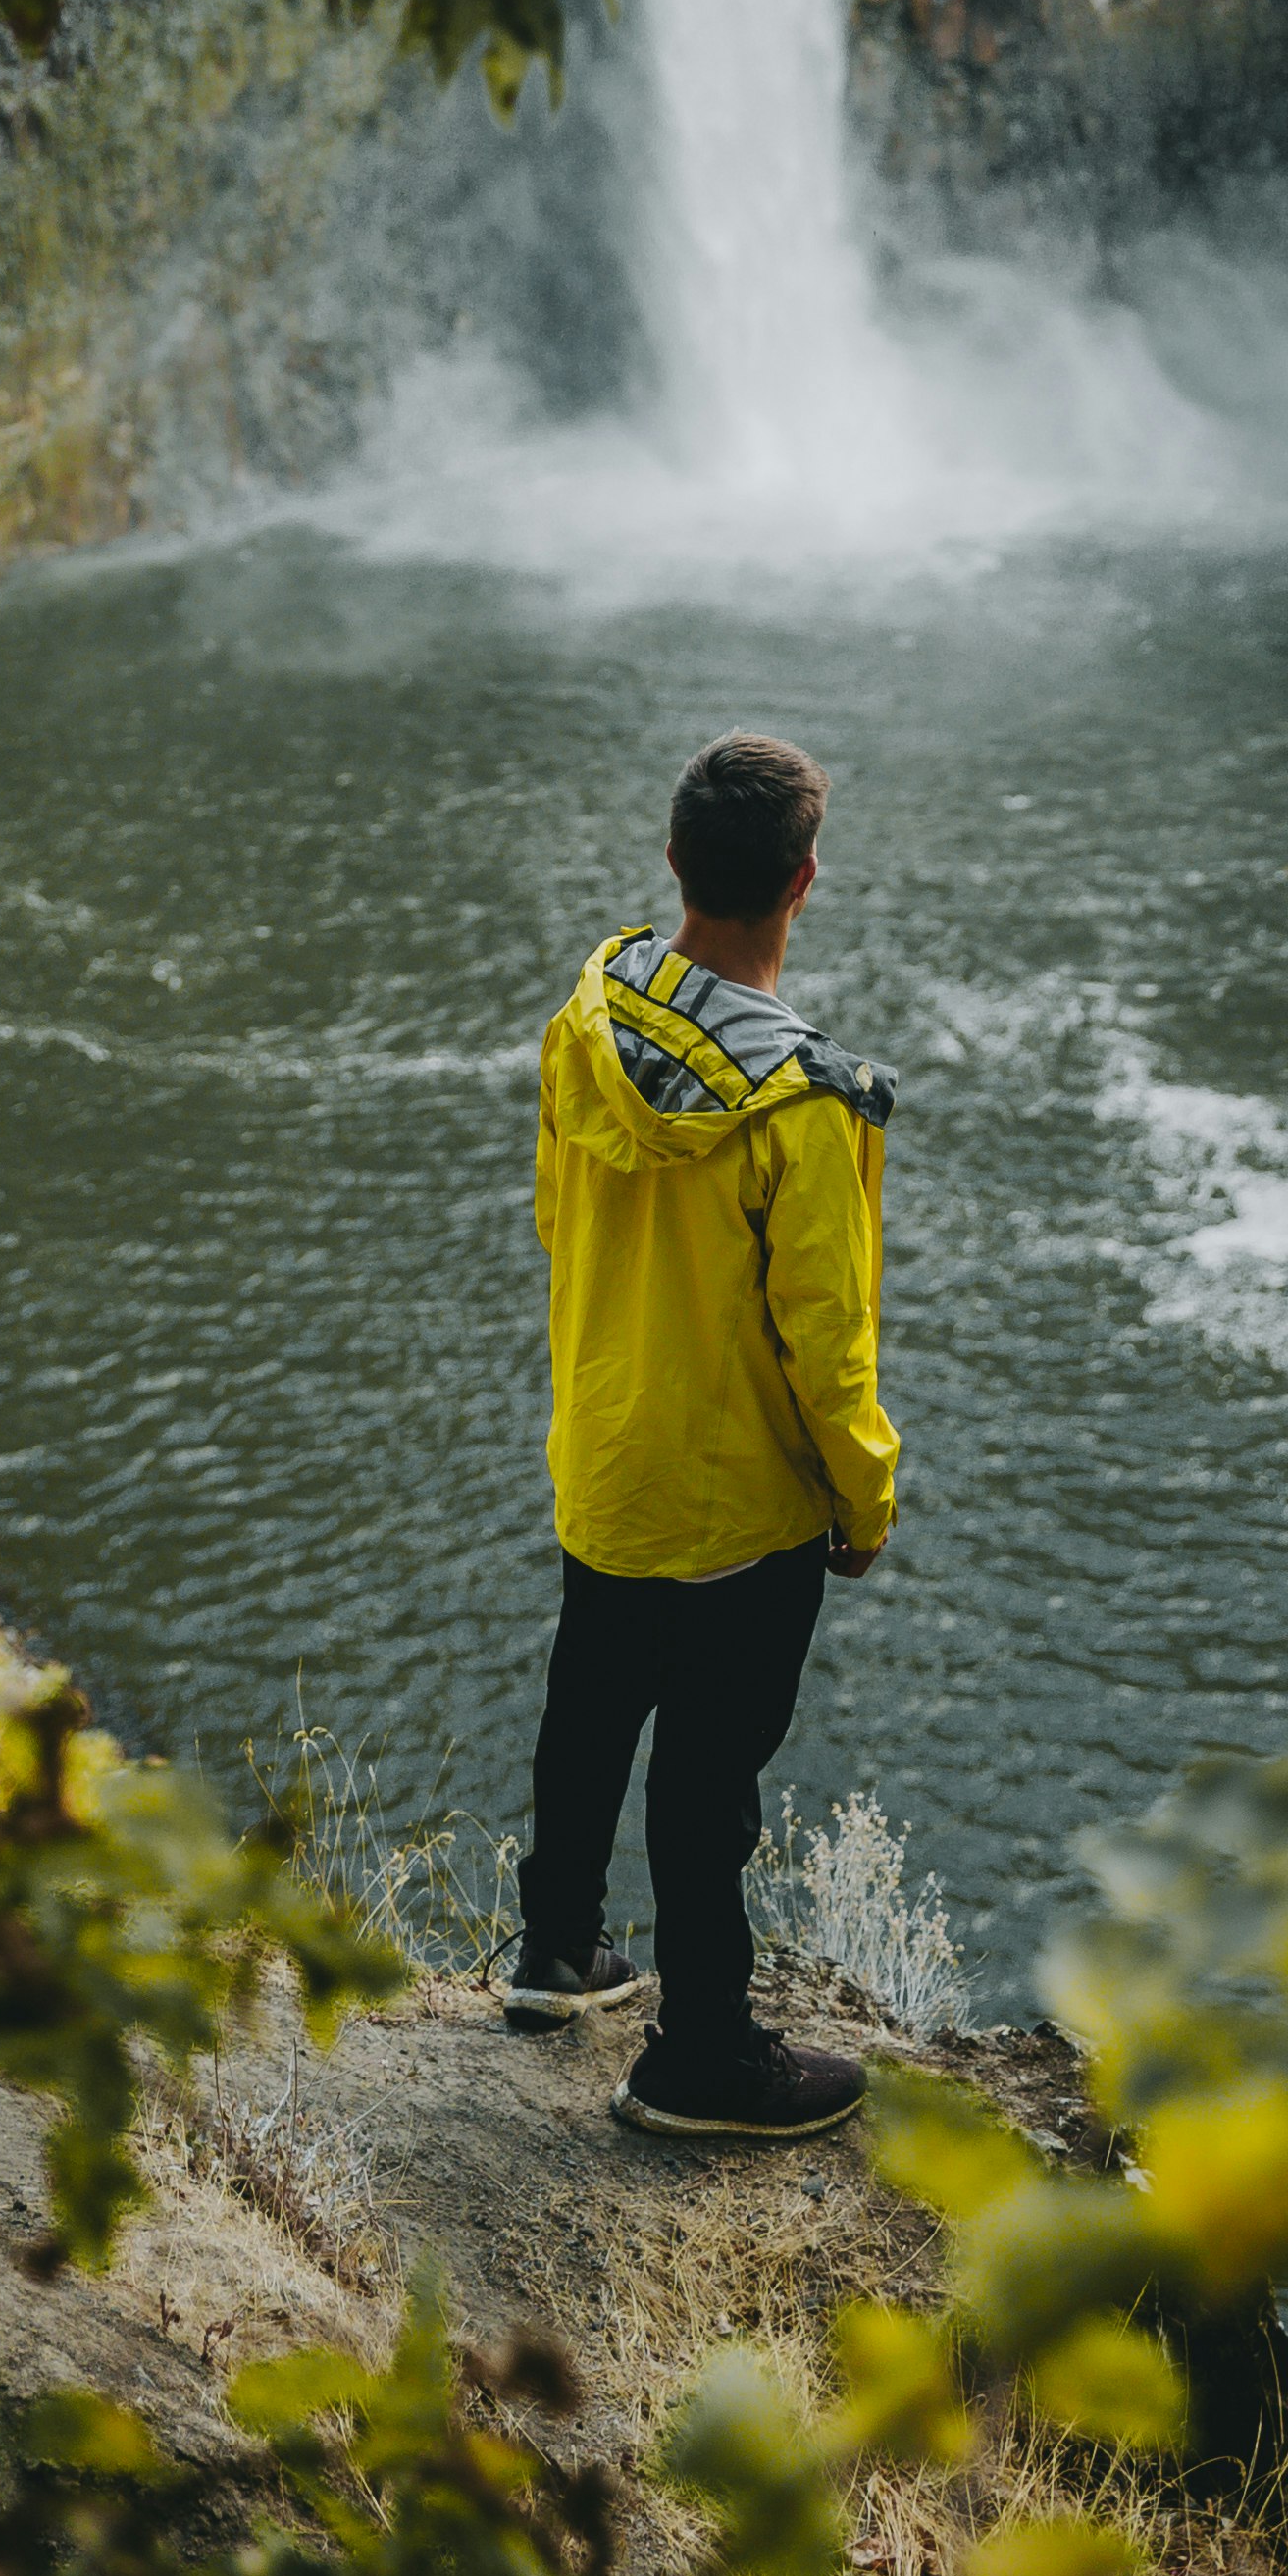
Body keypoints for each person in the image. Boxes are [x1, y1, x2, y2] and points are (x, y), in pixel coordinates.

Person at [507, 727, 899, 2140]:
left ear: (675, 863)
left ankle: (555, 1953)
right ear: (805, 884)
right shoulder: (804, 1111)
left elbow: (558, 1220)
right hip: (741, 1504)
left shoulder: (587, 1018)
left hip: (605, 1452)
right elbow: (827, 1346)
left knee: (588, 1705)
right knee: (709, 1781)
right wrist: (863, 1501)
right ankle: (703, 2059)